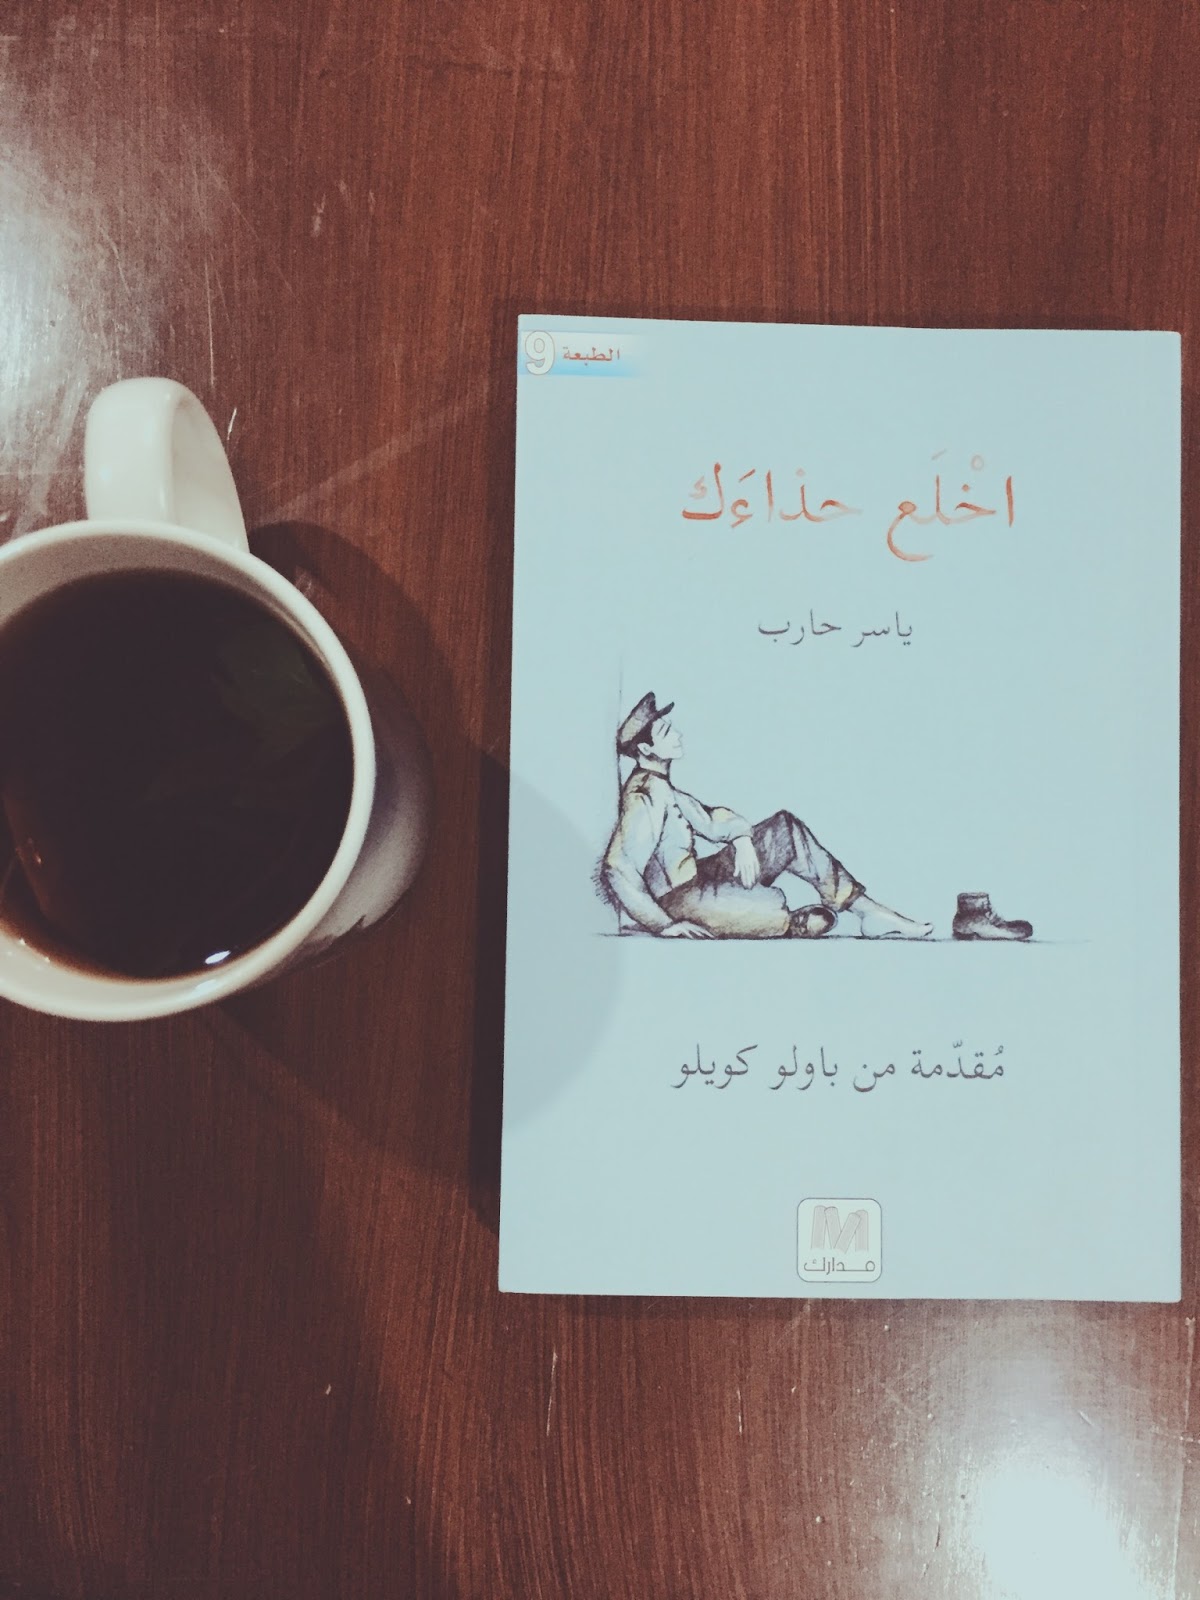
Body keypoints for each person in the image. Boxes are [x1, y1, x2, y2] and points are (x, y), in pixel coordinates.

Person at [601, 692, 933, 940]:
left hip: (700, 878)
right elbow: (617, 866)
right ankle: (791, 923)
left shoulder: (662, 786)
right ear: (646, 749)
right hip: (680, 900)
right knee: (771, 906)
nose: (678, 736)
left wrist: (742, 839)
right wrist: (663, 925)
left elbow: (710, 819)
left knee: (785, 829)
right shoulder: (644, 794)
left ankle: (868, 911)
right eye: (667, 732)